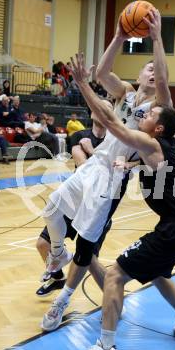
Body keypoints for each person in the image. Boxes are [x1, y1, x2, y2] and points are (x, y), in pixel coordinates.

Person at [40, 8, 171, 332]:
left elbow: (165, 80)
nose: (153, 71)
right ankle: (57, 253)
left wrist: (156, 38)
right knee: (52, 209)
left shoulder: (159, 109)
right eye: (149, 67)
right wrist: (119, 35)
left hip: (114, 175)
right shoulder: (125, 92)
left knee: (86, 244)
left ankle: (61, 302)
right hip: (95, 162)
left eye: (157, 68)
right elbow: (102, 74)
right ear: (139, 74)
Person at [70, 54, 175, 350]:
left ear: (156, 128)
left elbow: (114, 124)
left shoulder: (151, 143)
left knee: (115, 274)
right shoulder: (171, 143)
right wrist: (128, 163)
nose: (143, 113)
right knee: (155, 271)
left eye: (149, 114)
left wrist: (81, 84)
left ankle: (105, 348)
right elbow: (148, 162)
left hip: (174, 228)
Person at [35, 110, 109, 297]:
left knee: (89, 260)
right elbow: (83, 166)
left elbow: (107, 173)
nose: (103, 110)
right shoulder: (79, 136)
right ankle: (58, 277)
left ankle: (112, 298)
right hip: (74, 200)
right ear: (93, 112)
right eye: (100, 106)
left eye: (107, 107)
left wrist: (92, 151)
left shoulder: (114, 142)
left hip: (97, 207)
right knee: (43, 244)